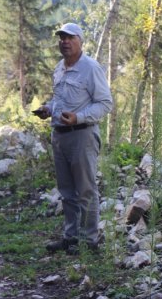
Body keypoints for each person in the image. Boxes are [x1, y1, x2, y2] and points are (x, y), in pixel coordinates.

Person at [34, 22, 113, 255]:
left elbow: (105, 103)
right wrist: (49, 109)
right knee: (66, 191)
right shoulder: (60, 67)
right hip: (59, 136)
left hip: (82, 135)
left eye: (69, 38)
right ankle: (70, 237)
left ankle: (89, 240)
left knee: (86, 189)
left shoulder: (90, 68)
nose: (64, 42)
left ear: (80, 41)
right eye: (61, 38)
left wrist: (78, 117)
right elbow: (61, 99)